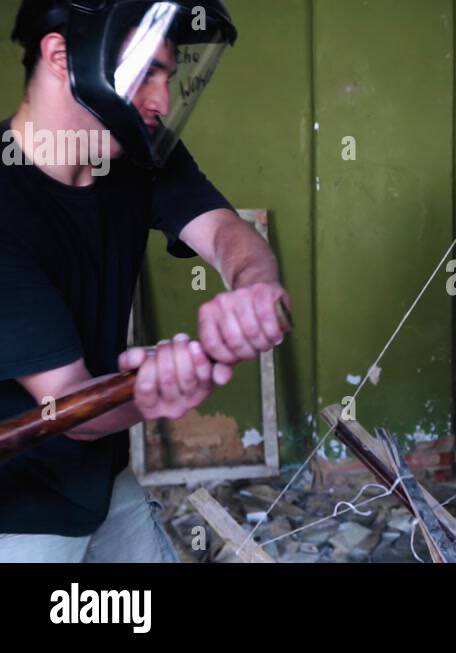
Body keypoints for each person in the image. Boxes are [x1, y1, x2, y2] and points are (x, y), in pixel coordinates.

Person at [0, 0, 290, 562]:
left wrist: (253, 287)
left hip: (101, 480)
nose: (160, 100)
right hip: (18, 511)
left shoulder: (135, 151)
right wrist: (158, 392)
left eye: (168, 76)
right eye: (145, 72)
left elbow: (227, 231)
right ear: (61, 56)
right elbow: (68, 411)